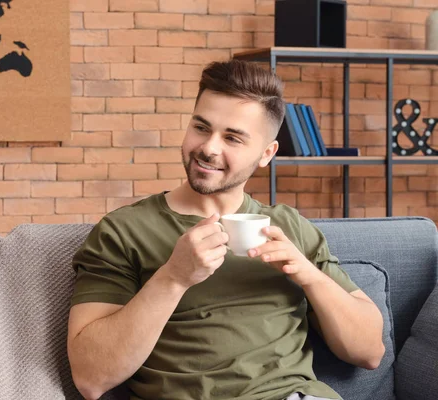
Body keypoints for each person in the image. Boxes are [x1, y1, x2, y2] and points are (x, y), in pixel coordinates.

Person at [67, 59, 385, 400]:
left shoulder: (289, 226)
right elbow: (90, 377)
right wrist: (173, 277)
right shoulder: (124, 231)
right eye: (201, 128)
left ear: (266, 153)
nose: (209, 148)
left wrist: (307, 275)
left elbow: (369, 352)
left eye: (232, 138)